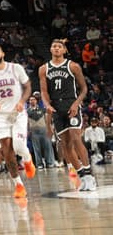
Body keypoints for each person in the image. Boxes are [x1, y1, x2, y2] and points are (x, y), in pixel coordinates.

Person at [39, 39, 96, 191]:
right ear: (50, 50)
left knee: (76, 138)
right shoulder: (44, 69)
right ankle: (82, 176)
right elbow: (44, 91)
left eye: (59, 46)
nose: (56, 48)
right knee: (65, 146)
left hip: (71, 104)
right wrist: (47, 104)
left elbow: (84, 89)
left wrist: (76, 104)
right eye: (53, 46)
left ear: (64, 50)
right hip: (56, 107)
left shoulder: (73, 66)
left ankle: (90, 176)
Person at [0, 44, 36, 200]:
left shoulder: (15, 68)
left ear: (3, 53)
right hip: (0, 115)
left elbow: (28, 86)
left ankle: (27, 159)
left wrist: (22, 101)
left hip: (17, 113)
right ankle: (18, 185)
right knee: (7, 151)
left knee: (19, 146)